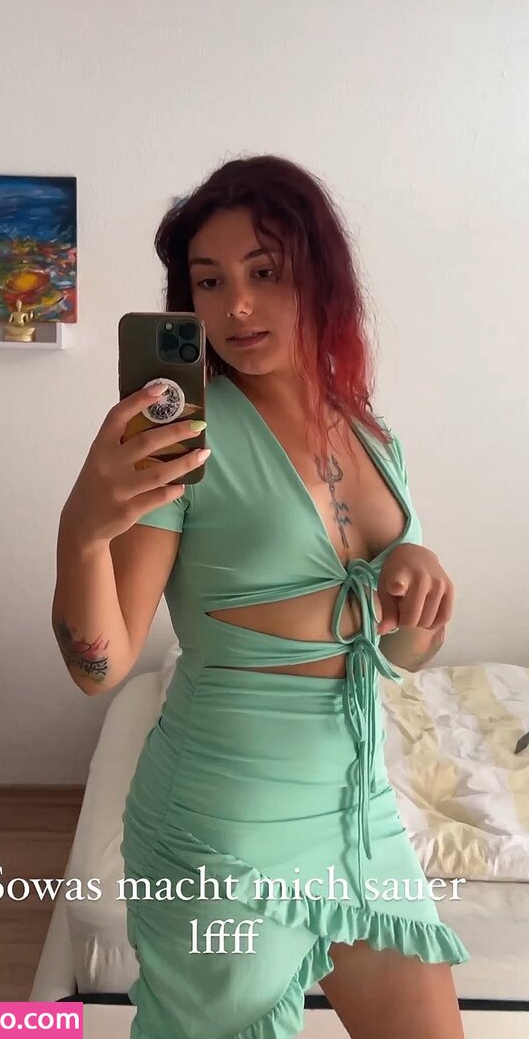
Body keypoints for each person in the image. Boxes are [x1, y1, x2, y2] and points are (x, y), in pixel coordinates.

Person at [52, 154, 469, 1039]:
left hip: (360, 817)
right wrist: (82, 532)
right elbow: (100, 667)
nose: (236, 306)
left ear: (320, 275)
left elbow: (398, 656)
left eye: (264, 272)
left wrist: (419, 579)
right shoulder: (183, 442)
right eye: (210, 282)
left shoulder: (373, 434)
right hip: (224, 828)